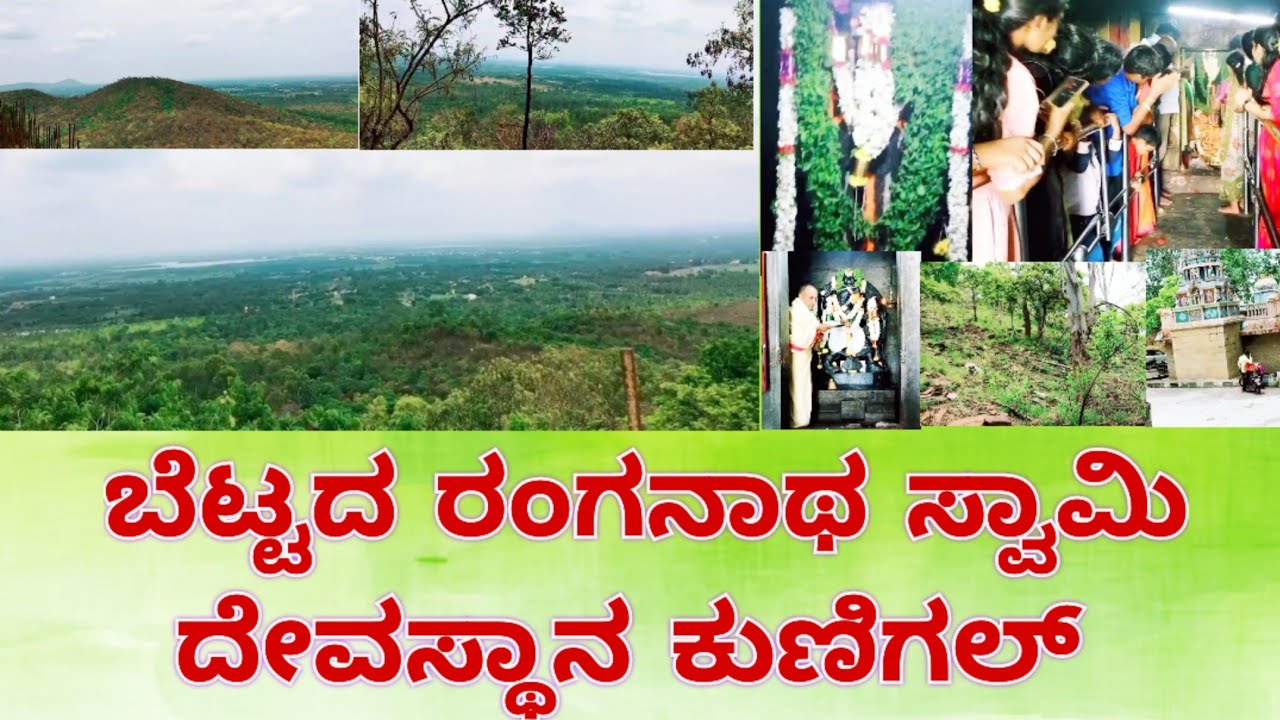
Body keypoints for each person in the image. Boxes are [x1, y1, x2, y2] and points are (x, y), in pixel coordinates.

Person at [971, 0, 1072, 263]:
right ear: (1038, 20)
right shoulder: (1013, 77)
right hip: (979, 219)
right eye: (1057, 23)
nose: (1054, 35)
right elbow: (1012, 189)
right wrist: (1052, 131)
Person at [1086, 44, 1180, 254]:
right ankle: (1107, 253)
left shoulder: (1127, 81)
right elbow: (1129, 126)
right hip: (1104, 155)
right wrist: (1153, 94)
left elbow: (1131, 114)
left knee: (1118, 205)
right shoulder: (1114, 84)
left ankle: (1113, 250)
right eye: (1147, 78)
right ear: (1140, 74)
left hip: (1117, 153)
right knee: (1107, 209)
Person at [1237, 26, 1280, 250]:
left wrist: (1248, 103)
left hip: (1276, 147)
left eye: (1254, 46)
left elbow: (1275, 112)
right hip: (1272, 144)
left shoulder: (1278, 68)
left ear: (1260, 47)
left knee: (1274, 206)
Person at [1066, 105, 1123, 260]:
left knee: (1098, 248)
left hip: (1092, 210)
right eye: (1097, 124)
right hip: (1078, 214)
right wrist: (1082, 138)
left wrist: (1116, 129)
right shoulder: (1069, 148)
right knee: (1089, 253)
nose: (1101, 126)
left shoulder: (1092, 145)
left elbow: (1111, 157)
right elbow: (1079, 165)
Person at [789, 285, 834, 429]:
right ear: (801, 296)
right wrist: (817, 329)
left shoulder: (806, 312)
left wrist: (819, 332)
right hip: (796, 357)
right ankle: (797, 421)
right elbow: (797, 338)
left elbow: (812, 331)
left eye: (816, 298)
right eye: (811, 298)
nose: (814, 301)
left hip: (804, 358)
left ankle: (803, 420)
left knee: (804, 388)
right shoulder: (796, 311)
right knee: (797, 389)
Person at [1154, 23, 1182, 203]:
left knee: (1161, 148)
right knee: (1159, 148)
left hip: (1166, 106)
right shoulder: (1153, 53)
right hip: (1160, 108)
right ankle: (1155, 192)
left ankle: (1158, 188)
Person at [1220, 42, 1247, 216]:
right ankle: (1244, 200)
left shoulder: (1227, 84)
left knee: (1230, 164)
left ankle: (1234, 205)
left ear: (1230, 67)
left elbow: (1217, 105)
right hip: (1246, 131)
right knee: (1244, 164)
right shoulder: (1249, 83)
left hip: (1232, 133)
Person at [1129, 124, 1161, 244]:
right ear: (1142, 141)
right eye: (1147, 150)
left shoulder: (1134, 148)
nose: (1145, 153)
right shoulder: (1130, 150)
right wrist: (1130, 182)